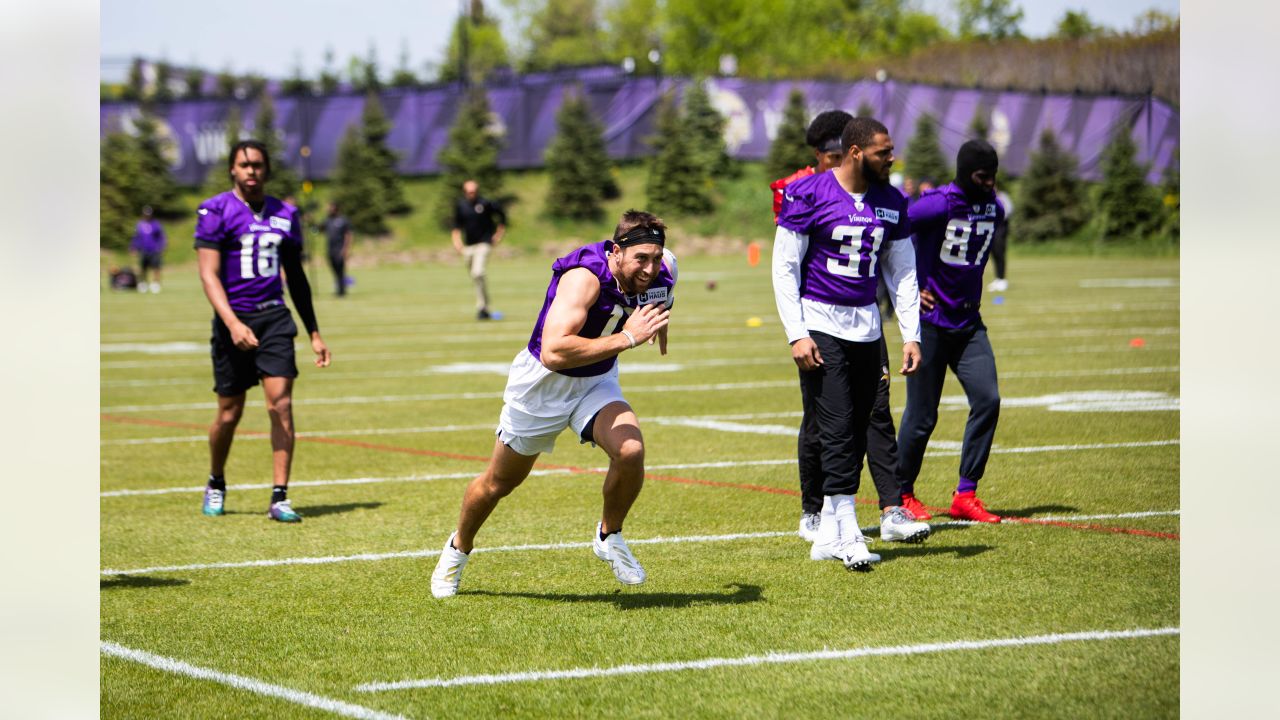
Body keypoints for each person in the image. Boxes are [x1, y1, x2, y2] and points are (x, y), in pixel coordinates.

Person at [431, 210, 676, 598]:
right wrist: (628, 338)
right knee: (498, 484)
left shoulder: (663, 268)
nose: (649, 268)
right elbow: (554, 351)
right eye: (640, 259)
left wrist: (661, 323)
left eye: (656, 257)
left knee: (630, 451)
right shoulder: (584, 278)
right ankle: (458, 547)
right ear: (615, 252)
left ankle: (608, 535)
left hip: (595, 382)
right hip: (542, 386)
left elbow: (662, 292)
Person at [772, 117, 929, 572]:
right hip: (821, 320)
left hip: (867, 327)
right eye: (884, 151)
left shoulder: (891, 201)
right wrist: (796, 332)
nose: (892, 158)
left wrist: (910, 333)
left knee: (860, 424)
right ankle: (846, 531)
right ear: (857, 151)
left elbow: (902, 272)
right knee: (837, 428)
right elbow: (784, 266)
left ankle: (828, 536)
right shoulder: (810, 194)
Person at [194, 140, 332, 523]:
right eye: (244, 164)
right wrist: (233, 323)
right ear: (232, 170)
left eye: (257, 164)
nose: (251, 170)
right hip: (232, 320)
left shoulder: (286, 214)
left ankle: (279, 496)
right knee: (228, 412)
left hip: (274, 318)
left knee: (281, 405)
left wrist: (314, 333)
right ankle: (216, 481)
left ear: (267, 170)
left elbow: (299, 279)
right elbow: (208, 274)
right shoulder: (215, 210)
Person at [897, 139, 1006, 524]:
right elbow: (890, 231)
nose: (989, 183)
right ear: (965, 173)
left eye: (993, 176)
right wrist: (911, 285)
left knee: (988, 399)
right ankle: (902, 493)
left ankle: (966, 493)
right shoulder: (937, 204)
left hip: (969, 323)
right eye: (982, 176)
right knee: (923, 415)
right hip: (931, 324)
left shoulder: (995, 207)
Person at [451, 179, 507, 320]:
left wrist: (498, 235)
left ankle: (482, 307)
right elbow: (456, 226)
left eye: (474, 191)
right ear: (465, 192)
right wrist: (457, 243)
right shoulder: (461, 206)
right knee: (476, 278)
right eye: (469, 192)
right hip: (468, 246)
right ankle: (484, 308)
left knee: (478, 273)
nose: (472, 194)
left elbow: (502, 217)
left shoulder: (485, 203)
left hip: (484, 243)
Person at [130, 206, 167, 293]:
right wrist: (133, 247)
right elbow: (136, 237)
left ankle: (155, 284)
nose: (147, 216)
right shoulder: (139, 224)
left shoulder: (156, 224)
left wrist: (162, 247)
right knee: (143, 268)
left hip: (154, 250)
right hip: (143, 250)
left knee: (156, 268)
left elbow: (161, 237)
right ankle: (143, 284)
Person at [321, 201, 353, 296]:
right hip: (330, 249)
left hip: (340, 249)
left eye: (331, 207)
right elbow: (319, 229)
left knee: (340, 270)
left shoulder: (343, 220)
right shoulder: (327, 220)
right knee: (334, 269)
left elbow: (348, 235)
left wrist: (346, 249)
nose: (329, 210)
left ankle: (342, 291)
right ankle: (339, 289)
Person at [987, 189, 1013, 293]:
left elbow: (1009, 210)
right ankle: (997, 279)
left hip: (1001, 227)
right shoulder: (986, 197)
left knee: (1000, 253)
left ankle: (1002, 280)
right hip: (990, 228)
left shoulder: (1002, 196)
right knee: (993, 254)